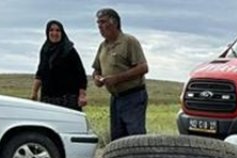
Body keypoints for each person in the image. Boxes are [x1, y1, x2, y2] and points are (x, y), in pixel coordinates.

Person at [91, 8, 149, 141]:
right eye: (98, 23)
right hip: (115, 98)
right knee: (117, 138)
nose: (100, 26)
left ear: (114, 23)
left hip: (133, 96)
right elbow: (96, 70)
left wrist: (117, 79)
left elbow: (143, 67)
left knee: (135, 138)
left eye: (103, 22)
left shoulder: (129, 41)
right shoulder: (103, 46)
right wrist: (97, 79)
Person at [30, 21, 87, 111]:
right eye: (51, 30)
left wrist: (82, 95)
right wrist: (34, 93)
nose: (54, 33)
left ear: (62, 33)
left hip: (68, 100)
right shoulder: (45, 50)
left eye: (58, 30)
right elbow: (40, 73)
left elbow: (81, 74)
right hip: (48, 99)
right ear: (47, 33)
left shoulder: (69, 50)